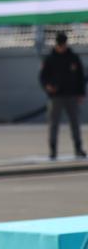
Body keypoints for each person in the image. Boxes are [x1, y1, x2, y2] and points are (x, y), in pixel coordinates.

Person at [40, 31, 86, 160]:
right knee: (53, 124)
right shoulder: (50, 59)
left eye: (63, 44)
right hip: (56, 97)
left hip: (71, 95)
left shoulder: (73, 58)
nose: (62, 47)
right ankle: (53, 150)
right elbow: (43, 77)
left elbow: (80, 77)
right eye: (60, 45)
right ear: (57, 44)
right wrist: (48, 86)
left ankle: (78, 148)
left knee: (75, 123)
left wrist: (81, 93)